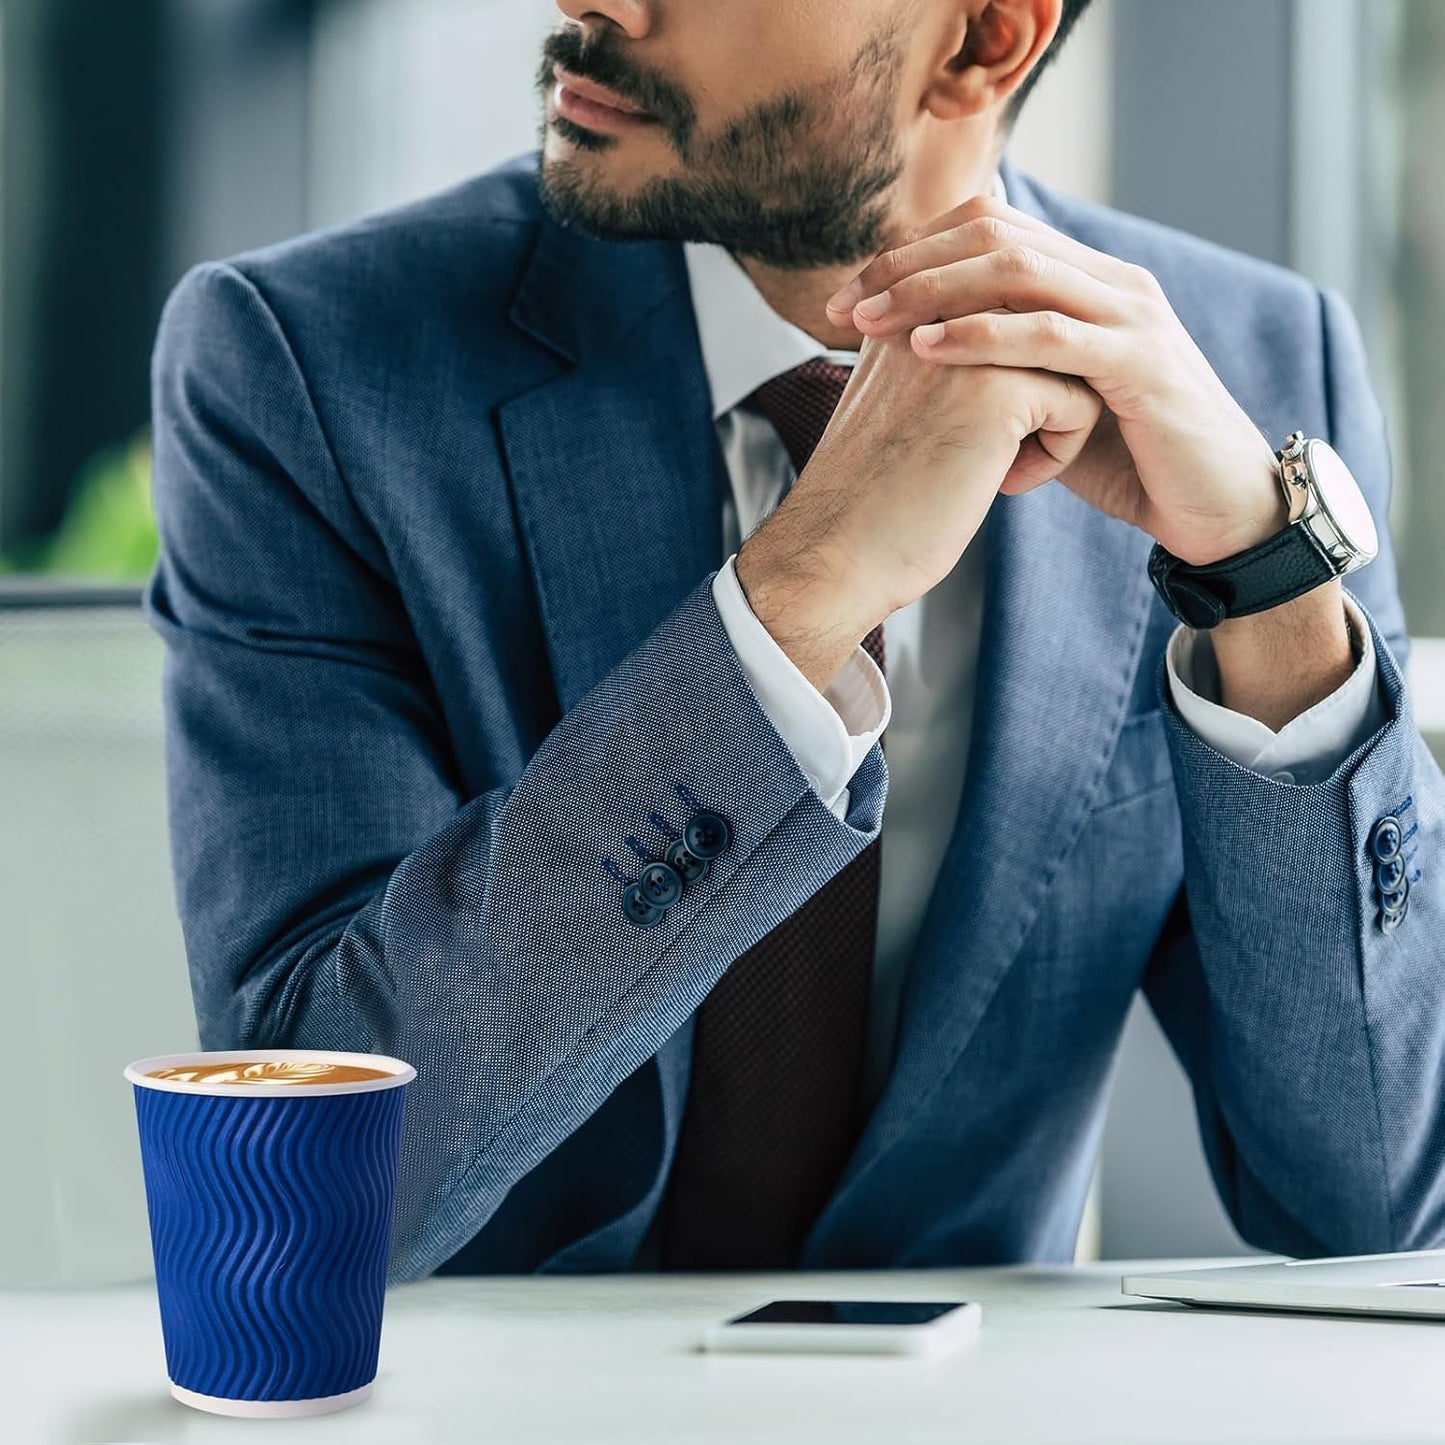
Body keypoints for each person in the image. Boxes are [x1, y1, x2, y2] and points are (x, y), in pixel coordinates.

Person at [146, 0, 1445, 1282]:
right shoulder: (305, 369)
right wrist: (797, 597)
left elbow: (1371, 1198)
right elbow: (302, 1175)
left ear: (984, 39)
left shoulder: (1257, 376)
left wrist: (1267, 585)